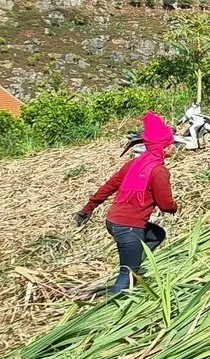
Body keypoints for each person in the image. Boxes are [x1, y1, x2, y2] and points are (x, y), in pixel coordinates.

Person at [75, 112, 178, 295]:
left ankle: (133, 264)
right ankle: (109, 310)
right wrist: (174, 207)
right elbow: (166, 205)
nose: (174, 147)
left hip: (113, 222)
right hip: (129, 227)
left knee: (157, 234)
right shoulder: (159, 172)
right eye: (171, 144)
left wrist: (88, 208)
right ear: (164, 147)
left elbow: (108, 187)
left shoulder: (134, 164)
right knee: (127, 277)